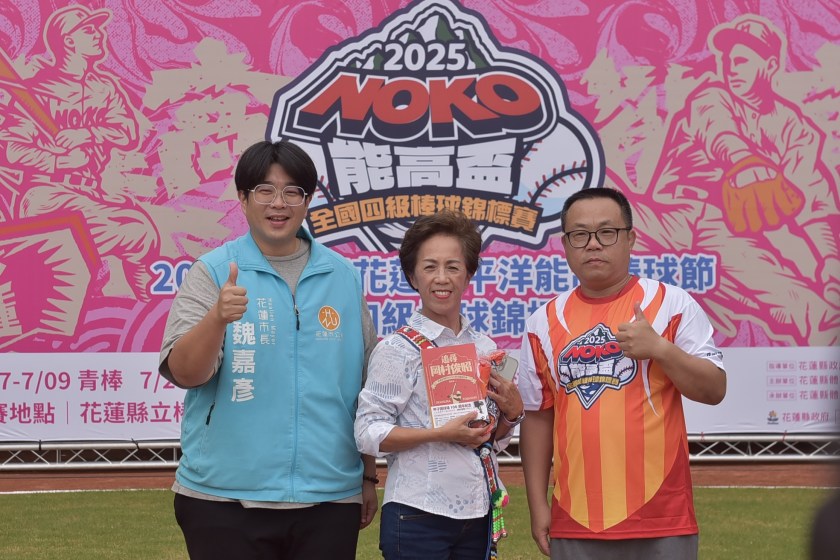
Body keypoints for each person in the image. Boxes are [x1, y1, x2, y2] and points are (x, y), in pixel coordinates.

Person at [158, 140, 379, 559]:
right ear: (243, 199)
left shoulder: (343, 276)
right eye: (264, 190)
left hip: (329, 498)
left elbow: (366, 388)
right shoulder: (213, 272)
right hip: (222, 499)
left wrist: (367, 476)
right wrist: (217, 319)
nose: (279, 203)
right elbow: (186, 373)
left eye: (292, 191)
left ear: (307, 200)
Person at [517, 187, 727, 559]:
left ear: (630, 239)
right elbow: (537, 417)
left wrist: (660, 349)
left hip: (662, 517)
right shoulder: (542, 322)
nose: (593, 244)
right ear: (565, 245)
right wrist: (538, 505)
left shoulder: (671, 303)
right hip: (576, 518)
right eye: (580, 235)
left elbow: (714, 389)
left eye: (607, 232)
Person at [639, 15, 839, 345]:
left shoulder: (794, 128)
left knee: (803, 305)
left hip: (724, 232)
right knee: (600, 229)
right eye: (727, 60)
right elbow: (719, 132)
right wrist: (745, 162)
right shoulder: (711, 97)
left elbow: (814, 204)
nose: (731, 68)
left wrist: (829, 263)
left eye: (742, 61)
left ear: (770, 66)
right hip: (672, 216)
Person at [355, 209, 524, 559]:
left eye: (453, 267)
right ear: (412, 276)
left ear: (469, 274)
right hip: (417, 511)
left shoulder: (485, 348)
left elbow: (491, 440)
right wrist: (438, 434)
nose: (442, 278)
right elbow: (367, 432)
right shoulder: (397, 349)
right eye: (430, 267)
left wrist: (511, 413)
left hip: (477, 510)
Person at [1, 5, 158, 300]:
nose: (99, 34)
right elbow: (12, 151)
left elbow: (128, 133)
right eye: (89, 30)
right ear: (69, 40)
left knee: (142, 234)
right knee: (129, 232)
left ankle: (142, 305)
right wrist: (59, 161)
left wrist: (86, 134)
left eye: (98, 29)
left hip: (89, 195)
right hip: (46, 196)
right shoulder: (37, 92)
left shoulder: (104, 89)